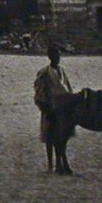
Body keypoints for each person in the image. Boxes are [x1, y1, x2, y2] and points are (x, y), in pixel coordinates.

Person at [33, 41, 74, 173]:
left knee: (61, 137)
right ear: (50, 56)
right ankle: (51, 164)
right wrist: (45, 107)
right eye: (56, 55)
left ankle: (59, 163)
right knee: (50, 137)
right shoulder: (44, 72)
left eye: (59, 55)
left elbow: (68, 88)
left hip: (63, 108)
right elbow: (39, 92)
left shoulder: (62, 71)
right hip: (50, 107)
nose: (58, 58)